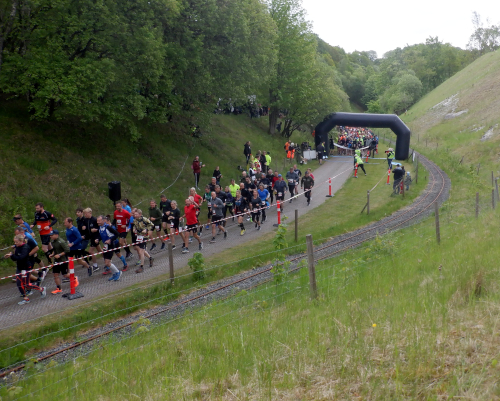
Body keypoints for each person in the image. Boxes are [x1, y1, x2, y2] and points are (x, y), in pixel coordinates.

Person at [4, 234, 46, 305]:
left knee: (27, 285)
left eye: (16, 242)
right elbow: (16, 258)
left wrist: (12, 255)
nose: (15, 244)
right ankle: (25, 299)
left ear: (21, 241)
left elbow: (21, 258)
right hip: (19, 267)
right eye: (14, 242)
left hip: (26, 267)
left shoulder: (25, 247)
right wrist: (10, 256)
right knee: (19, 283)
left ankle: (41, 289)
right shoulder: (17, 247)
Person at [48, 229, 78, 294]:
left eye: (52, 235)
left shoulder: (61, 241)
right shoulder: (53, 242)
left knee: (65, 275)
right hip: (56, 261)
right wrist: (53, 254)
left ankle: (74, 278)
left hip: (63, 260)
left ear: (56, 235)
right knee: (55, 274)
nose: (51, 236)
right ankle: (59, 288)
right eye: (50, 235)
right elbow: (56, 250)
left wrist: (59, 255)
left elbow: (67, 250)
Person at [96, 216, 123, 281]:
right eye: (97, 221)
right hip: (105, 246)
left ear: (103, 220)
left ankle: (118, 272)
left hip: (110, 245)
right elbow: (101, 236)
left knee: (107, 262)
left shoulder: (108, 227)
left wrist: (110, 240)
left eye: (99, 221)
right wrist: (98, 239)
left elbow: (117, 234)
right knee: (107, 262)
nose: (98, 222)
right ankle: (114, 274)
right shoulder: (100, 228)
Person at [81, 208, 101, 272]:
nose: (85, 215)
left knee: (91, 251)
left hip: (96, 237)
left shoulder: (94, 220)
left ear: (90, 213)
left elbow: (100, 228)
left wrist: (96, 230)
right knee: (100, 250)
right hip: (91, 237)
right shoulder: (85, 220)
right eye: (84, 214)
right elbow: (86, 228)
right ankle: (107, 259)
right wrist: (83, 228)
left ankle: (95, 265)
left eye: (86, 214)